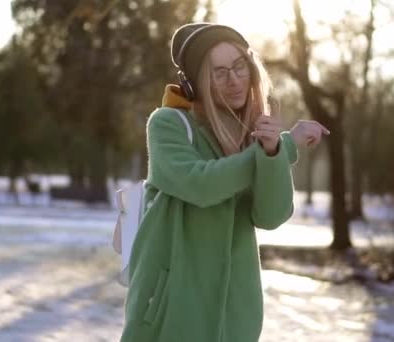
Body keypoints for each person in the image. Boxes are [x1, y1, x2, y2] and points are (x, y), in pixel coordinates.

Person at [120, 22, 330, 342]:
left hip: (234, 318)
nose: (233, 81)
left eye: (238, 66)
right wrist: (286, 146)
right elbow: (200, 185)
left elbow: (271, 216)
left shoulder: (254, 137)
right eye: (218, 72)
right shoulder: (168, 124)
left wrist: (272, 152)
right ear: (194, 85)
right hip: (171, 313)